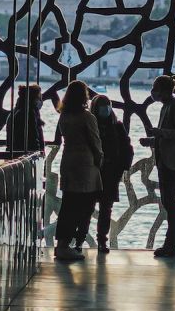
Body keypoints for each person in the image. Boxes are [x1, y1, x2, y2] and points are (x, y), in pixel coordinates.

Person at [144, 74, 175, 257]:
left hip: (172, 161)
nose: (154, 93)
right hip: (166, 160)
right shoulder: (168, 105)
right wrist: (152, 139)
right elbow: (169, 134)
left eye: (156, 89)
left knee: (170, 202)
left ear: (164, 90)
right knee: (169, 202)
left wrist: (158, 132)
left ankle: (170, 244)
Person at [52, 80, 102, 260]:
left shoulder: (63, 115)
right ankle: (72, 244)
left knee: (68, 204)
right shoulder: (87, 117)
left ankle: (62, 245)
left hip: (68, 161)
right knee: (83, 205)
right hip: (85, 165)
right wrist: (99, 161)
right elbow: (96, 143)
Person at [90, 94, 134, 252]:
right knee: (88, 207)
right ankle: (80, 237)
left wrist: (122, 168)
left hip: (110, 174)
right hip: (93, 172)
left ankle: (102, 239)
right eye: (103, 106)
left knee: (105, 209)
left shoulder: (117, 126)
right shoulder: (91, 125)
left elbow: (127, 149)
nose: (106, 109)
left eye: (108, 105)